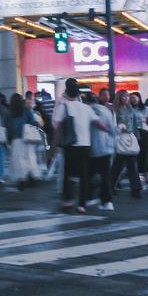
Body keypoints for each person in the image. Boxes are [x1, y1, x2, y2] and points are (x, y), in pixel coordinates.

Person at [52, 79, 96, 213]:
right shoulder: (84, 106)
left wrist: (53, 147)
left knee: (68, 173)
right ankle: (81, 204)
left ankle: (69, 199)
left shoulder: (62, 104)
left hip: (70, 143)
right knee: (83, 174)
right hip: (85, 144)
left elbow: (57, 126)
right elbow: (97, 122)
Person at [110, 91, 145, 198]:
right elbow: (113, 125)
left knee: (129, 165)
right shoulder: (115, 110)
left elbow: (134, 125)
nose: (126, 98)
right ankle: (134, 188)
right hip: (120, 138)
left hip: (130, 138)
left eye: (127, 96)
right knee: (119, 165)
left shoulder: (131, 110)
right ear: (119, 98)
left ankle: (135, 188)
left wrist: (137, 138)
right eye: (123, 96)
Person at [88, 91, 117, 210]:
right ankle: (106, 201)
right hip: (107, 147)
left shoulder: (89, 110)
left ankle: (91, 197)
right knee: (105, 175)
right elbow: (113, 128)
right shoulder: (107, 110)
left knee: (90, 174)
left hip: (93, 147)